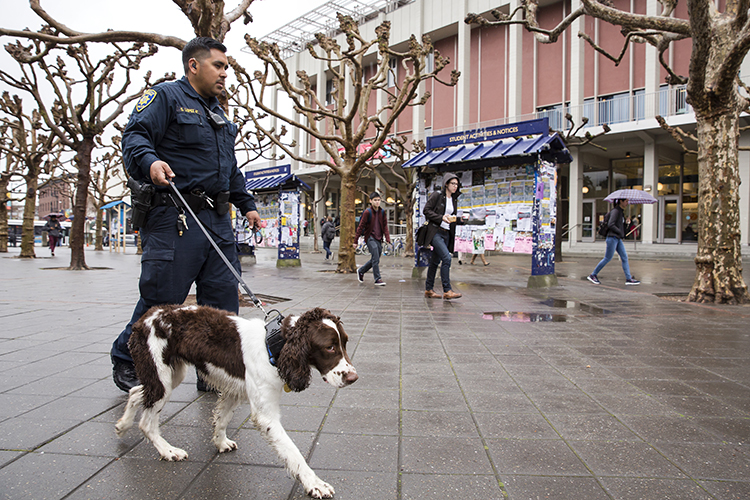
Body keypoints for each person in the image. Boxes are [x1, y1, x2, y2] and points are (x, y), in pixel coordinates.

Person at [110, 37, 262, 393]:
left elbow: (230, 168)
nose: (226, 73)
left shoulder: (219, 113)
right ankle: (128, 358)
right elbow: (134, 137)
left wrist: (247, 204)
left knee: (223, 302)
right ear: (194, 65)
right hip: (175, 216)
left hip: (218, 221)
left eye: (227, 67)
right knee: (162, 299)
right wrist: (151, 162)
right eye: (219, 66)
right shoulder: (165, 97)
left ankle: (212, 371)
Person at [423, 173, 463, 299]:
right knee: (447, 258)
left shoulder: (454, 199)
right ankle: (447, 290)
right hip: (435, 232)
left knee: (435, 261)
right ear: (446, 184)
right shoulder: (437, 195)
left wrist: (461, 220)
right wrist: (441, 218)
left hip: (446, 233)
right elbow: (426, 210)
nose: (455, 186)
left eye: (456, 184)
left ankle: (429, 289)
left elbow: (451, 218)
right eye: (452, 184)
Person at [587, 199, 640, 286]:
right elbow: (611, 224)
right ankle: (593, 275)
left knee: (624, 257)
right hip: (612, 238)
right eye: (626, 201)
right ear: (621, 202)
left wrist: (627, 224)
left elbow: (622, 229)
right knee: (607, 258)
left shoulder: (621, 212)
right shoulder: (616, 211)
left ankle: (628, 278)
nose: (627, 203)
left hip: (617, 238)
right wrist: (620, 232)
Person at [355, 191, 390, 286]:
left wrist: (387, 238)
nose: (377, 202)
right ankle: (377, 279)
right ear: (370, 201)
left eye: (379, 200)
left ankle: (361, 271)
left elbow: (385, 226)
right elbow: (360, 226)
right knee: (375, 257)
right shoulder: (367, 212)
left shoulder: (382, 212)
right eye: (375, 200)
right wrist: (356, 241)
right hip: (370, 238)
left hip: (379, 238)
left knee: (376, 259)